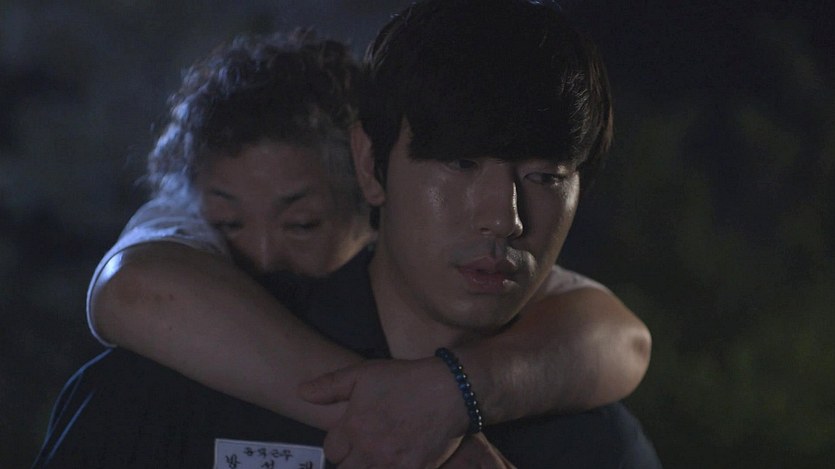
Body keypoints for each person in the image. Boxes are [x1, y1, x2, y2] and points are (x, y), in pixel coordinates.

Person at [32, 3, 661, 466]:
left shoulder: (593, 440)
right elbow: (134, 286)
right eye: (460, 163)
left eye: (546, 176)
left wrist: (454, 395)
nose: (505, 218)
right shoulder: (165, 388)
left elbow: (621, 336)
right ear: (370, 165)